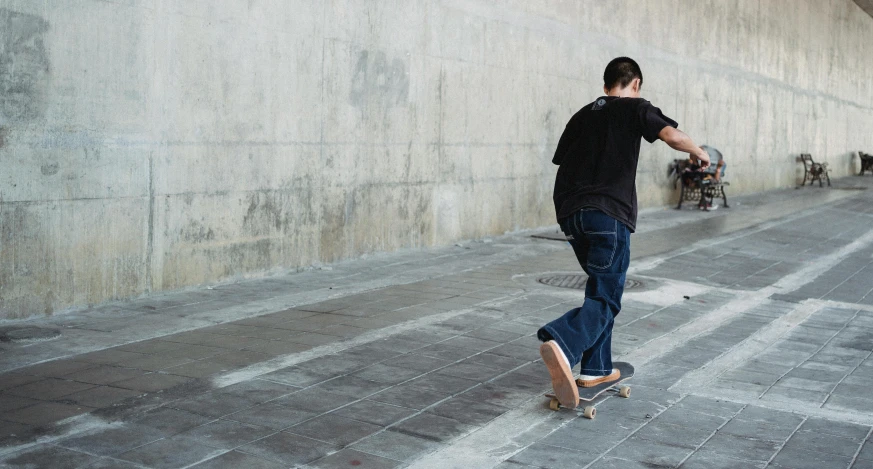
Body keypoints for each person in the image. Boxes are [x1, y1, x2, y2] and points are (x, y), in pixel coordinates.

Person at [538, 57, 710, 409]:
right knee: (607, 297)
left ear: (605, 86)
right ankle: (565, 341)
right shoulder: (636, 108)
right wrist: (698, 151)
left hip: (571, 215)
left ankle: (597, 368)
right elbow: (672, 136)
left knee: (602, 286)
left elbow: (562, 160)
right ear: (636, 84)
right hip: (608, 214)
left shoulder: (582, 114)